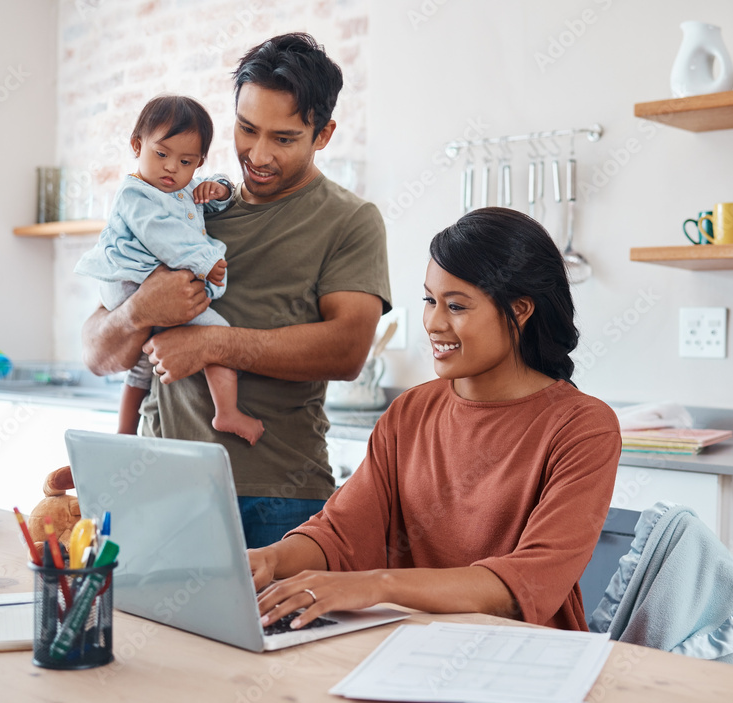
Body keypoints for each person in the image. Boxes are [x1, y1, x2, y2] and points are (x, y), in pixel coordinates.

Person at [81, 34, 391, 548]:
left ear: (324, 134)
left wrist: (212, 344)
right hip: (161, 484)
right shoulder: (182, 207)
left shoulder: (350, 221)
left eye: (284, 138)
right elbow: (96, 352)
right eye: (247, 130)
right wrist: (139, 310)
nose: (259, 154)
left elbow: (348, 350)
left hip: (279, 497)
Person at [249, 208, 622, 632]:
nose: (434, 323)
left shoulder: (583, 427)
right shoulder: (410, 412)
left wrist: (379, 585)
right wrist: (268, 559)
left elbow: (528, 583)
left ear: (519, 310)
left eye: (456, 306)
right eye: (430, 300)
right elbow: (342, 532)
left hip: (527, 658)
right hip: (407, 644)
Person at [75, 95, 264, 445]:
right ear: (137, 145)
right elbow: (163, 236)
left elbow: (210, 197)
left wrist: (218, 188)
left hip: (137, 282)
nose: (171, 168)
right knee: (217, 331)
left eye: (186, 161)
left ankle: (124, 434)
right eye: (161, 154)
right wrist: (205, 263)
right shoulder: (136, 193)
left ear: (198, 162)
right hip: (130, 282)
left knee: (143, 363)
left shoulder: (182, 188)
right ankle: (228, 412)